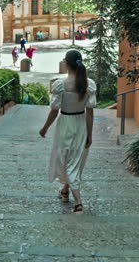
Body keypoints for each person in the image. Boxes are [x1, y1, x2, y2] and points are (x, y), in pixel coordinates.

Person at [38, 49, 96, 214]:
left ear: (66, 63)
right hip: (80, 124)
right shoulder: (88, 84)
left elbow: (54, 110)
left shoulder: (60, 84)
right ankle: (65, 189)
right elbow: (90, 112)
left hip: (65, 124)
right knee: (75, 160)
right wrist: (90, 134)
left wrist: (45, 128)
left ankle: (78, 202)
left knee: (65, 159)